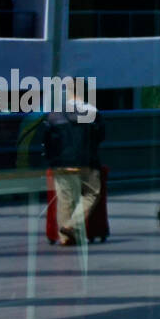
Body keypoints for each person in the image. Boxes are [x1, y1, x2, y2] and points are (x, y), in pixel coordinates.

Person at [43, 95, 104, 247]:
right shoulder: (92, 112)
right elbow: (100, 136)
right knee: (91, 193)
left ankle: (65, 238)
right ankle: (72, 225)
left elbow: (47, 140)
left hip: (61, 164)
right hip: (86, 162)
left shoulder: (53, 114)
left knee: (65, 199)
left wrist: (53, 159)